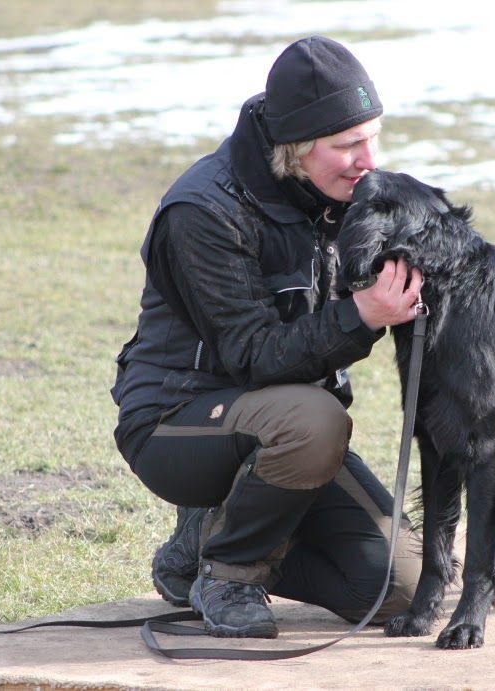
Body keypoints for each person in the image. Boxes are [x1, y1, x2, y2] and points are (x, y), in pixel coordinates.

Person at [110, 35, 423, 639]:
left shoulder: (349, 195)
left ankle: (200, 547)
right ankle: (228, 575)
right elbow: (253, 356)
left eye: (373, 137)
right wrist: (362, 315)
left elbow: (450, 272)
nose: (368, 160)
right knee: (314, 421)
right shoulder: (203, 210)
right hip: (175, 421)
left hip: (286, 432)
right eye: (347, 145)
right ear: (296, 149)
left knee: (401, 588)